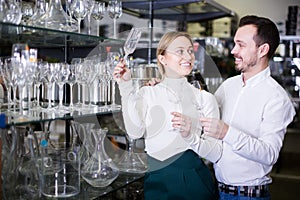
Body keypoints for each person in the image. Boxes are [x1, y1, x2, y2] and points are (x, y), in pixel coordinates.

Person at [114, 31, 222, 200]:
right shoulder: (147, 93)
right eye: (180, 51)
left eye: (190, 51)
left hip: (194, 184)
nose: (188, 56)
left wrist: (190, 136)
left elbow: (215, 154)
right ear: (162, 58)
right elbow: (134, 134)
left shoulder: (205, 99)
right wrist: (125, 86)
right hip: (155, 182)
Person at [200, 15, 296, 200]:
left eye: (241, 45)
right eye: (235, 44)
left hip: (248, 196)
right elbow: (202, 111)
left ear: (262, 50)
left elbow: (269, 154)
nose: (233, 51)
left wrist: (227, 132)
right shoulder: (229, 85)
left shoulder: (277, 98)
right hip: (215, 189)